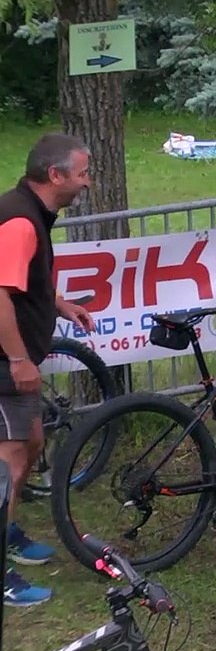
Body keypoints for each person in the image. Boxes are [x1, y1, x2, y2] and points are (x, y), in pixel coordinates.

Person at [0, 134, 97, 607]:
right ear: (55, 175)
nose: (87, 182)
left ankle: (8, 530)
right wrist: (18, 360)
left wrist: (59, 304)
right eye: (82, 173)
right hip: (4, 361)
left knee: (32, 442)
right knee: (12, 460)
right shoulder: (20, 220)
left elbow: (23, 279)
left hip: (12, 358)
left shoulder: (30, 212)